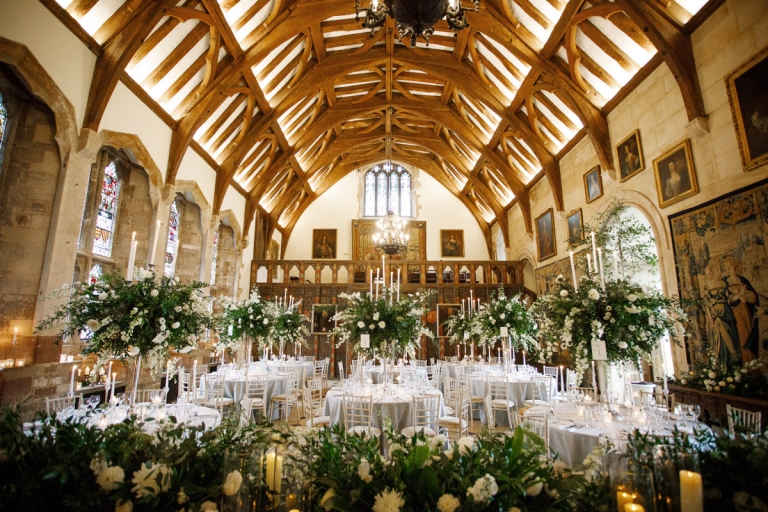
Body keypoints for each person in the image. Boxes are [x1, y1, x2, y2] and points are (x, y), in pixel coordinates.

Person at [723, 256, 760, 362]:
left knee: (748, 330)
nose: (728, 270)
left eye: (729, 267)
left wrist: (743, 294)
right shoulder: (725, 282)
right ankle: (744, 361)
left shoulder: (742, 280)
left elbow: (753, 298)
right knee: (740, 334)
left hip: (745, 310)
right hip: (735, 313)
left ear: (734, 267)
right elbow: (728, 301)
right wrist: (740, 294)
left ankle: (752, 361)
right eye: (726, 268)